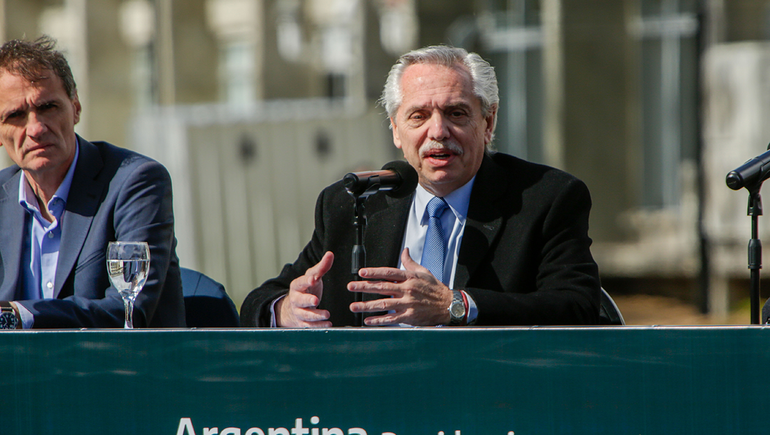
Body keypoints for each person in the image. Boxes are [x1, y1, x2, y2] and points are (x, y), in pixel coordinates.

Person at [240, 45, 600, 327]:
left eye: (456, 113)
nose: (438, 131)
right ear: (396, 130)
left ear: (488, 123)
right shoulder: (355, 202)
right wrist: (287, 309)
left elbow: (578, 306)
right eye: (419, 116)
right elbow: (259, 301)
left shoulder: (546, 198)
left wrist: (455, 305)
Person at [0, 36, 185, 328]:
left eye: (48, 107)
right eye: (16, 115)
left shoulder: (136, 182)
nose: (35, 128)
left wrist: (16, 315)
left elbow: (127, 312)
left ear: (75, 107)